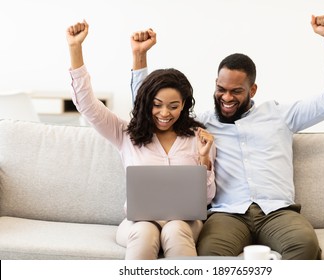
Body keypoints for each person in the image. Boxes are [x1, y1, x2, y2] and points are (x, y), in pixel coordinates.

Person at [130, 14, 324, 259]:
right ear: (215, 84)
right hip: (227, 214)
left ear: (252, 90)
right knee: (208, 253)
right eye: (221, 89)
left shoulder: (281, 115)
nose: (226, 98)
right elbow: (149, 110)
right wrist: (140, 57)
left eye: (236, 91)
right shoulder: (202, 124)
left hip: (277, 211)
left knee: (304, 246)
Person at [66, 20, 216, 259]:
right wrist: (75, 48)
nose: (164, 113)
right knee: (145, 231)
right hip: (137, 223)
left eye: (173, 106)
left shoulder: (199, 138)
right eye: (157, 105)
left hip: (185, 223)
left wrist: (204, 159)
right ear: (146, 104)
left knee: (176, 229)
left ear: (185, 106)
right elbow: (87, 105)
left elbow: (207, 199)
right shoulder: (125, 134)